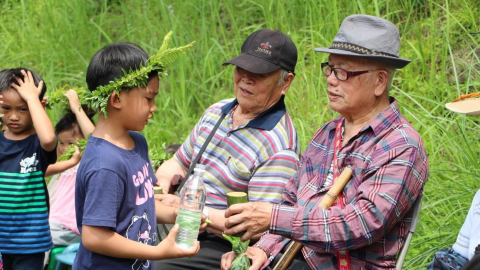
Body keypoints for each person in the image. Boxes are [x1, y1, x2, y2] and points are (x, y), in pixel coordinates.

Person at [222, 14, 429, 270]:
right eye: (330, 68)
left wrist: (274, 218)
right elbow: (289, 200)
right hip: (295, 260)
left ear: (379, 82)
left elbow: (362, 224)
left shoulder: (401, 145)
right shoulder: (329, 132)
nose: (330, 79)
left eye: (343, 72)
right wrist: (262, 249)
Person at [154, 29, 301, 269]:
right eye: (242, 69)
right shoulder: (217, 111)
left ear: (285, 82)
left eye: (259, 74)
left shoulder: (279, 147)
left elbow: (254, 226)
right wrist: (160, 186)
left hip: (218, 241)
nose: (245, 79)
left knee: (154, 266)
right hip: (177, 218)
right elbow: (178, 162)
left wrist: (189, 210)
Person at [73, 42, 201, 270]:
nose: (155, 108)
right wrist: (157, 252)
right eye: (148, 99)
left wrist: (176, 215)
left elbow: (142, 204)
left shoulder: (137, 143)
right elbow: (93, 236)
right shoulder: (106, 164)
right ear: (116, 100)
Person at [0, 68, 57, 270]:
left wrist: (33, 100)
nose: (13, 116)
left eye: (22, 109)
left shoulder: (38, 143)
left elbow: (49, 139)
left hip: (29, 243)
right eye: (6, 108)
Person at [46, 89, 96, 247]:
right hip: (54, 224)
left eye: (71, 144)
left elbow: (95, 140)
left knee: (38, 235)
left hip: (71, 228)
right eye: (61, 143)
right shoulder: (63, 165)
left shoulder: (88, 162)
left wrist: (77, 108)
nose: (64, 149)